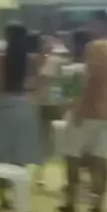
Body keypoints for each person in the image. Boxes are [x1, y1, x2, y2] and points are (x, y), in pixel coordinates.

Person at [59, 11, 107, 212]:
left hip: (87, 111)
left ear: (99, 24)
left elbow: (88, 80)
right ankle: (98, 207)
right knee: (101, 160)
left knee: (73, 156)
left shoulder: (95, 47)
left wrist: (78, 108)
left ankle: (72, 205)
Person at [0, 23, 44, 209]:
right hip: (25, 104)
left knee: (2, 151)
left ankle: (2, 196)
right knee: (20, 152)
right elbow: (37, 84)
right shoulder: (33, 60)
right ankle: (18, 191)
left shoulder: (2, 59)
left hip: (5, 103)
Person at [32, 34, 65, 187]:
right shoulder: (50, 60)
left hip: (46, 103)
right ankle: (39, 172)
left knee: (44, 138)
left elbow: (43, 80)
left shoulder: (52, 61)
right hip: (47, 102)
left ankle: (39, 172)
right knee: (44, 138)